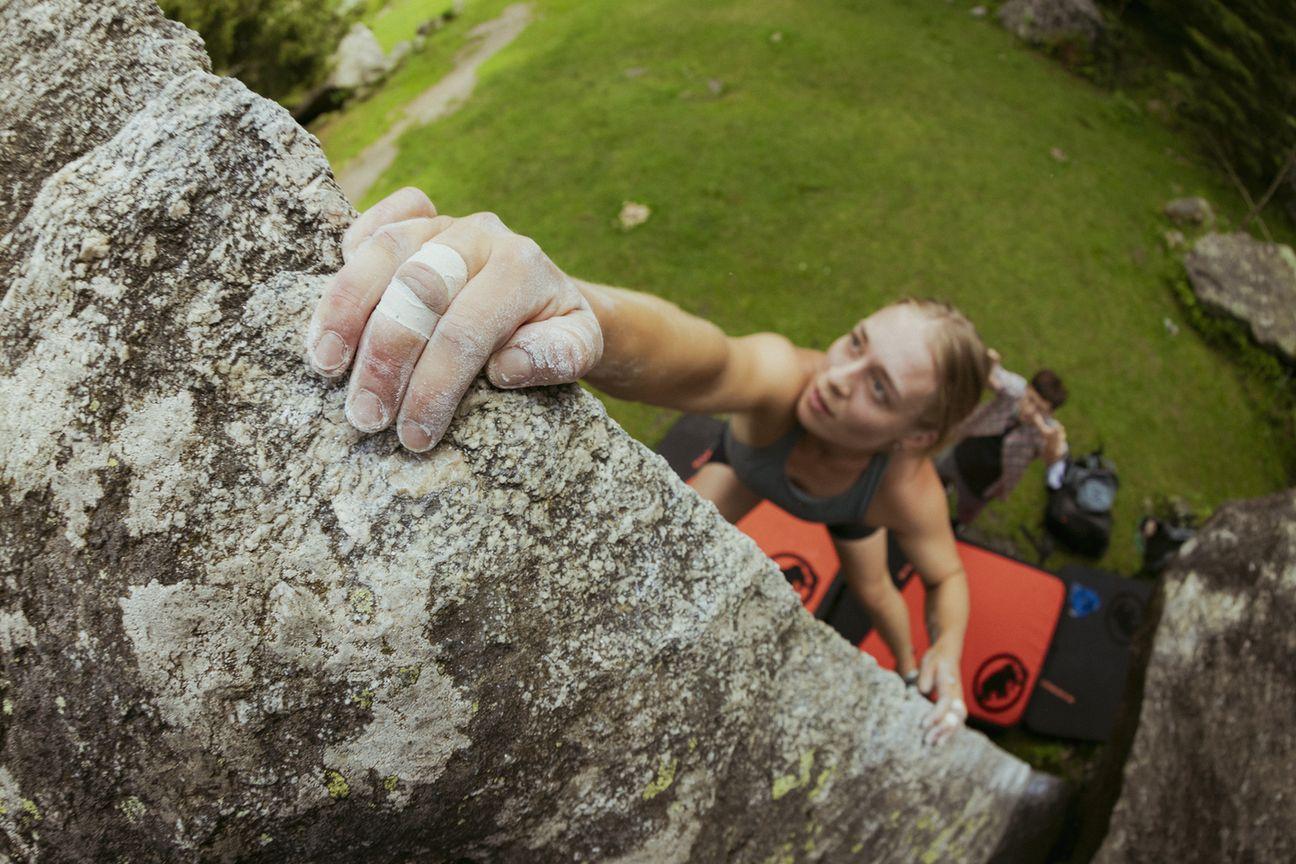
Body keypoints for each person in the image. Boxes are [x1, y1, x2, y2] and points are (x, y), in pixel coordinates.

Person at [304, 188, 992, 745]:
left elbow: (945, 575)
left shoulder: (904, 488)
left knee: (876, 591)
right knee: (675, 553)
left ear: (916, 435)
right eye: (857, 342)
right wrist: (574, 303)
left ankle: (908, 668)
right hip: (753, 470)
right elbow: (704, 358)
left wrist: (948, 650)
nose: (841, 376)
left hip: (849, 512)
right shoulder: (790, 381)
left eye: (879, 388)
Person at [936, 357, 1069, 528]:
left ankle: (959, 523)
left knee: (968, 510)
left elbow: (1054, 460)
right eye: (1030, 400)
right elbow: (992, 376)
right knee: (938, 475)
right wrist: (988, 365)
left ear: (1050, 413)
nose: (1029, 411)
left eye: (1040, 410)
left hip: (985, 483)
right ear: (1027, 388)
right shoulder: (1015, 389)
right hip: (961, 453)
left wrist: (1052, 442)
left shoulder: (1046, 431)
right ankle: (944, 488)